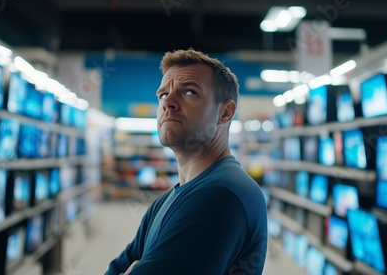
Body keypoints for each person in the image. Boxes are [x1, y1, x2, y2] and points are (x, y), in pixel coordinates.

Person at [105, 49, 268, 275]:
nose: (168, 102)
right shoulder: (165, 201)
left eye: (189, 92)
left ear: (226, 112)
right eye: (162, 95)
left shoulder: (221, 194)